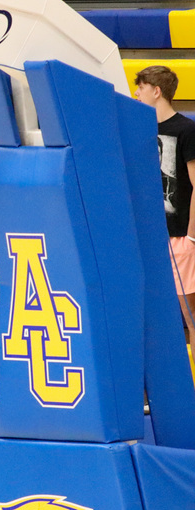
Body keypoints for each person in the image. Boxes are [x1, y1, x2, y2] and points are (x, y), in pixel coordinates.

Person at [134, 66, 195, 337]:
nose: (135, 93)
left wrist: (191, 237)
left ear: (156, 91)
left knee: (191, 316)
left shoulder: (186, 130)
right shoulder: (137, 129)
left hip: (179, 236)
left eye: (141, 87)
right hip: (147, 236)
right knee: (153, 320)